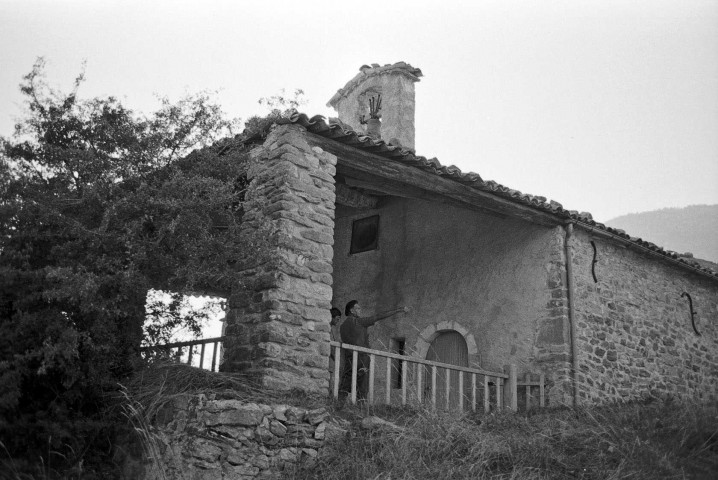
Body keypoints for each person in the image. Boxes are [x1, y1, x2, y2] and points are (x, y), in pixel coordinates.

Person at [339, 300, 408, 402]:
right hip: (362, 359)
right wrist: (399, 310)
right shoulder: (359, 322)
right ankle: (361, 410)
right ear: (352, 310)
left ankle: (338, 405)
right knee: (362, 387)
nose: (360, 310)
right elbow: (379, 316)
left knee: (344, 385)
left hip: (349, 358)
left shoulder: (342, 326)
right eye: (358, 308)